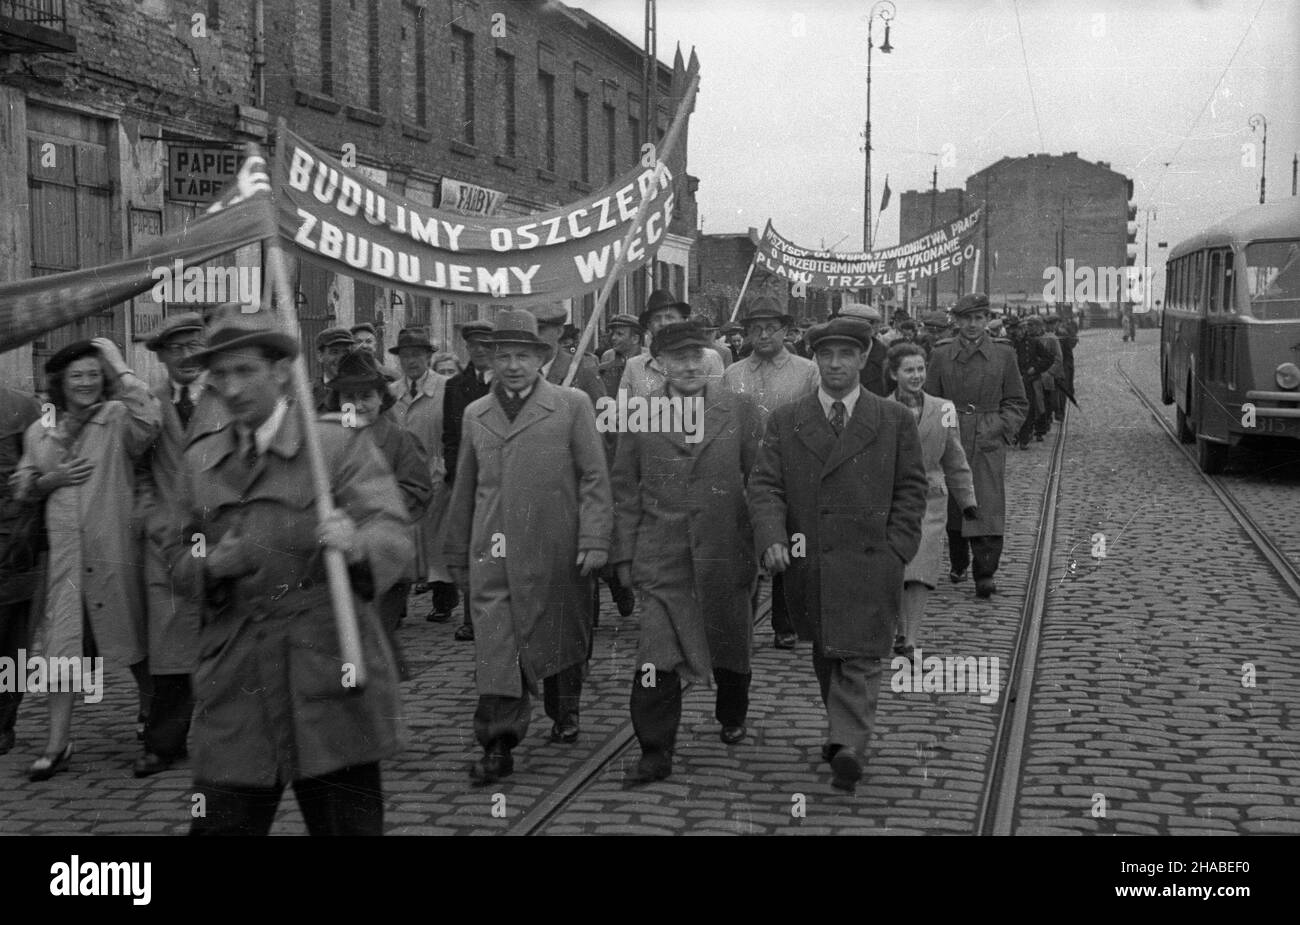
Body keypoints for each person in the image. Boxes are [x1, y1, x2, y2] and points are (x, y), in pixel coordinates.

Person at [165, 309, 409, 836]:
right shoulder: (201, 463)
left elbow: (393, 534)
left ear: (279, 371)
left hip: (326, 672)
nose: (230, 387)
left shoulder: (335, 446)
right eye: (219, 375)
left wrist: (356, 544)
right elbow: (176, 561)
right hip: (237, 681)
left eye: (244, 370)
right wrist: (211, 565)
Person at [748, 315, 927, 792]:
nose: (834, 365)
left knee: (862, 653)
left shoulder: (894, 419)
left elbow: (913, 487)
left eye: (845, 354)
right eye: (825, 355)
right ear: (815, 360)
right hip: (814, 561)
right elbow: (766, 485)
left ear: (864, 358)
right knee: (829, 652)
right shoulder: (788, 419)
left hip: (873, 560)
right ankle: (843, 730)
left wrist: (898, 547)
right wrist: (771, 537)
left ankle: (848, 744)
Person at [442, 308, 612, 784]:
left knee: (559, 633)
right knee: (497, 645)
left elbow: (595, 476)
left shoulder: (572, 404)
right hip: (492, 548)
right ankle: (498, 742)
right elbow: (464, 487)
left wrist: (595, 538)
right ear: (490, 360)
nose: (513, 365)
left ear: (541, 357)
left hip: (555, 544)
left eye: (522, 355)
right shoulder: (476, 413)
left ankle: (565, 708)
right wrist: (456, 552)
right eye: (503, 355)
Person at [613, 320, 763, 784]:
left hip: (725, 551)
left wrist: (768, 540)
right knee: (655, 656)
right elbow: (624, 489)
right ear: (658, 365)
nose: (691, 365)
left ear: (712, 358)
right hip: (664, 557)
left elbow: (761, 482)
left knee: (729, 643)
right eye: (679, 358)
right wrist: (623, 555)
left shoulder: (740, 410)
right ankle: (655, 751)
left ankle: (731, 711)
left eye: (699, 355)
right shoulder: (640, 414)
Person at [15, 338, 162, 781]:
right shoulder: (41, 428)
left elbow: (150, 421)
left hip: (112, 548)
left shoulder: (117, 417)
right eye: (76, 375)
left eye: (93, 374)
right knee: (61, 648)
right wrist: (48, 480)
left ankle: (151, 716)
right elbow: (21, 484)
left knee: (131, 640)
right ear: (60, 382)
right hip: (64, 560)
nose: (85, 383)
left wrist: (119, 363)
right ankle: (58, 743)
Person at [133, 312, 229, 777]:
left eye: (195, 346)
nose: (187, 356)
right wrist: (154, 517)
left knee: (232, 639)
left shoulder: (229, 396)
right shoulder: (149, 404)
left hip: (226, 537)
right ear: (161, 356)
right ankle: (163, 744)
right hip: (168, 545)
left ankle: (234, 738)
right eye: (176, 349)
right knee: (169, 653)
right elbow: (138, 473)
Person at [327, 348, 433, 681]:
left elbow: (418, 491)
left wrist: (373, 510)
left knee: (371, 632)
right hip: (338, 553)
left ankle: (383, 694)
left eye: (366, 397)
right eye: (349, 397)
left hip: (388, 556)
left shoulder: (400, 440)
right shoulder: (325, 441)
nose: (357, 405)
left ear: (381, 399)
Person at [722, 296, 819, 651]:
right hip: (744, 469)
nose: (763, 335)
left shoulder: (806, 371)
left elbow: (816, 420)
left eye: (770, 328)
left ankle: (785, 622)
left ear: (785, 331)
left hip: (791, 469)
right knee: (744, 545)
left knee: (788, 542)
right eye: (755, 329)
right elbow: (722, 422)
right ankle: (740, 621)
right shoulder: (733, 374)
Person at [925, 293, 1028, 599]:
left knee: (987, 503)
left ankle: (985, 571)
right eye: (965, 319)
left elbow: (1017, 401)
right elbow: (930, 398)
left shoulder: (1003, 354)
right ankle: (958, 561)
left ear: (987, 320)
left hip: (987, 434)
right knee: (954, 502)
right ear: (955, 322)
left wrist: (998, 428)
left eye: (978, 318)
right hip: (950, 430)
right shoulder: (941, 354)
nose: (972, 325)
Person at [884, 343, 976, 656]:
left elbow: (954, 456)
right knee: (897, 568)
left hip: (930, 499)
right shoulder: (879, 409)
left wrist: (967, 499)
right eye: (909, 370)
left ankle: (911, 637)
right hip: (891, 500)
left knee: (921, 570)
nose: (916, 375)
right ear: (894, 373)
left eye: (921, 369)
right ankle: (897, 628)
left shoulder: (944, 408)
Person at [388, 327, 455, 622]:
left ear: (428, 357)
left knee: (438, 539)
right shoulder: (391, 393)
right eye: (405, 356)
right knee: (403, 540)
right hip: (402, 476)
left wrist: (445, 467)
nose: (411, 361)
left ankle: (444, 600)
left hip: (436, 469)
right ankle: (398, 604)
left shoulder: (446, 387)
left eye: (417, 355)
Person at [441, 319, 495, 642]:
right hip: (467, 479)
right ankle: (471, 618)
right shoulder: (455, 387)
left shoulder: (506, 384)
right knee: (472, 548)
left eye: (486, 346)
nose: (480, 352)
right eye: (474, 346)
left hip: (500, 478)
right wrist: (454, 472)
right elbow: (450, 436)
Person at [0, 385, 42, 756]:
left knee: (12, 639)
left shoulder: (23, 407)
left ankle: (4, 721)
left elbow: (39, 465)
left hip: (12, 541)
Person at [618, 289, 726, 398]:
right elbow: (622, 412)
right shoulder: (634, 366)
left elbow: (719, 404)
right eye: (657, 318)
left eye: (670, 317)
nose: (663, 323)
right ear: (649, 326)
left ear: (682, 321)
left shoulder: (709, 358)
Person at [532, 304, 606, 406]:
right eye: (531, 331)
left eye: (540, 330)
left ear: (559, 332)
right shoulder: (521, 371)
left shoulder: (581, 370)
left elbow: (602, 417)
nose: (534, 337)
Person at [1004, 315, 1054, 450]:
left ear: (1023, 329)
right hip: (1010, 381)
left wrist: (1036, 368)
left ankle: (1024, 438)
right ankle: (1015, 435)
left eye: (1019, 329)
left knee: (1028, 409)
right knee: (1011, 408)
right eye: (1013, 329)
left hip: (1028, 380)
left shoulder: (1032, 342)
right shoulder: (1007, 343)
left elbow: (1048, 358)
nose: (1016, 332)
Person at [835, 301, 892, 396]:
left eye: (858, 328)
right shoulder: (829, 352)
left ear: (874, 328)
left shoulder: (887, 357)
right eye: (846, 327)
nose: (852, 333)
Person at [1027, 316, 1061, 439]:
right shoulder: (1027, 340)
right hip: (1031, 377)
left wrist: (1048, 373)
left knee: (1045, 404)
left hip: (1045, 377)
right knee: (1032, 403)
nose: (1029, 328)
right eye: (1028, 325)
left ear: (1039, 326)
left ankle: (1042, 428)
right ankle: (1033, 429)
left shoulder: (1051, 339)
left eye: (1032, 325)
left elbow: (1057, 359)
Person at [598, 313, 646, 397]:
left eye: (619, 334)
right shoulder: (605, 369)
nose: (613, 338)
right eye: (612, 334)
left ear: (635, 339)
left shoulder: (650, 366)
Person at [311, 327, 356, 411]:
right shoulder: (307, 395)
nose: (341, 358)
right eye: (334, 352)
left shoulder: (364, 391)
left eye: (346, 352)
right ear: (320, 356)